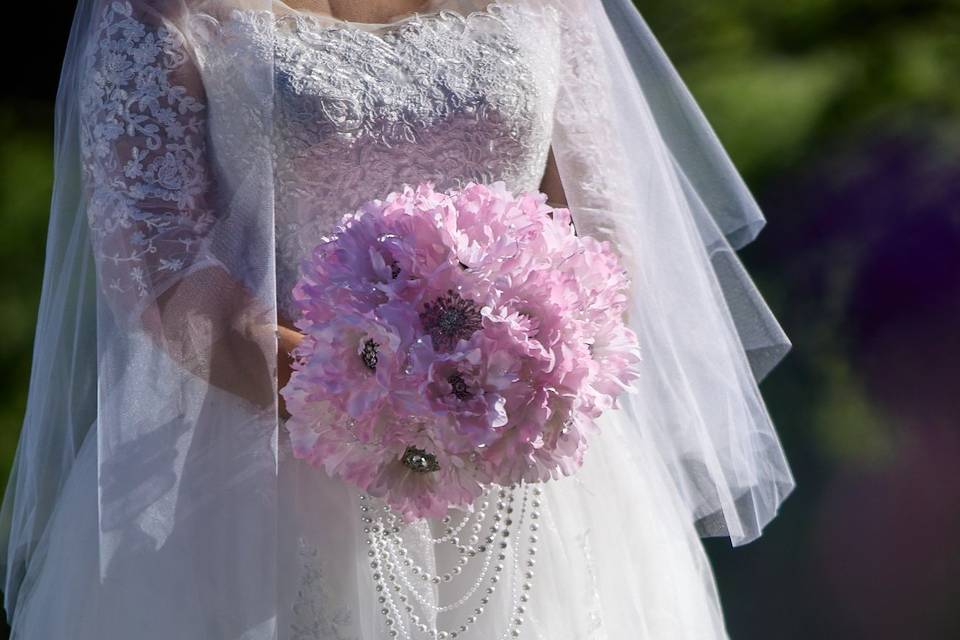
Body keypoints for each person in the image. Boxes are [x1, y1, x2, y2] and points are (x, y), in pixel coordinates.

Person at [0, 0, 795, 637]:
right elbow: (157, 255)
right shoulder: (155, 8)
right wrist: (356, 391)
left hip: (524, 450)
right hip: (263, 461)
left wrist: (528, 366)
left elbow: (601, 220)